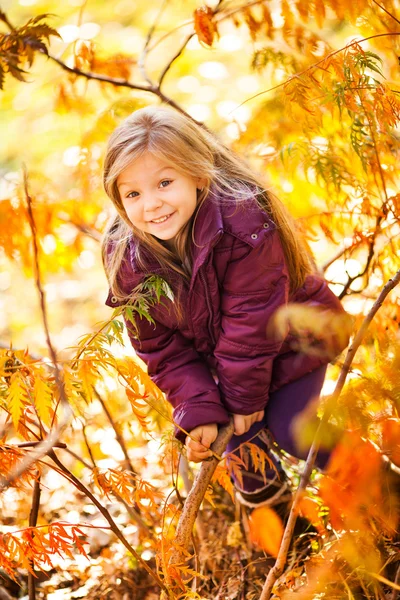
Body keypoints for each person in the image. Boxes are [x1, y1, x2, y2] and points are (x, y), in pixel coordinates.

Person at [102, 105, 350, 508]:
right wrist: (198, 407)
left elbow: (254, 322)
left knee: (292, 430)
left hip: (295, 341)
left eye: (165, 182)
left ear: (198, 175)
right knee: (240, 451)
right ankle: (285, 537)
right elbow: (161, 348)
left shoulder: (241, 221)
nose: (151, 205)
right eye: (133, 193)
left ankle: (382, 487)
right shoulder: (127, 258)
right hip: (226, 367)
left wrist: (242, 402)